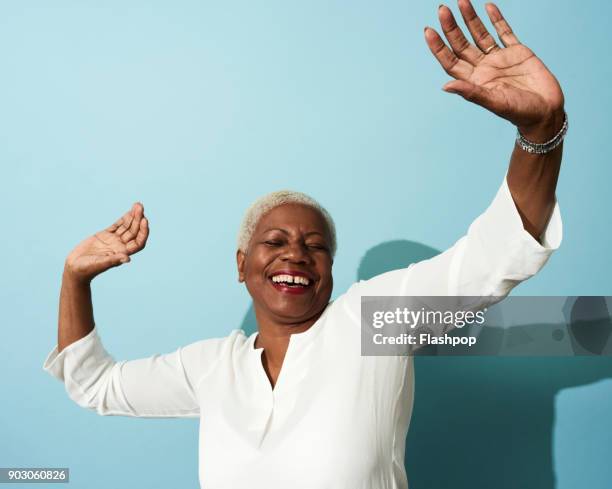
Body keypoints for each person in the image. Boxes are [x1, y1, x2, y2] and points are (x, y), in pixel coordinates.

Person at [43, 2, 565, 488]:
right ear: (242, 265)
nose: (296, 253)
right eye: (276, 241)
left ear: (330, 271)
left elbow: (493, 257)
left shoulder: (371, 321)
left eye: (315, 246)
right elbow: (94, 384)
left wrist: (540, 130)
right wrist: (75, 276)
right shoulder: (211, 368)